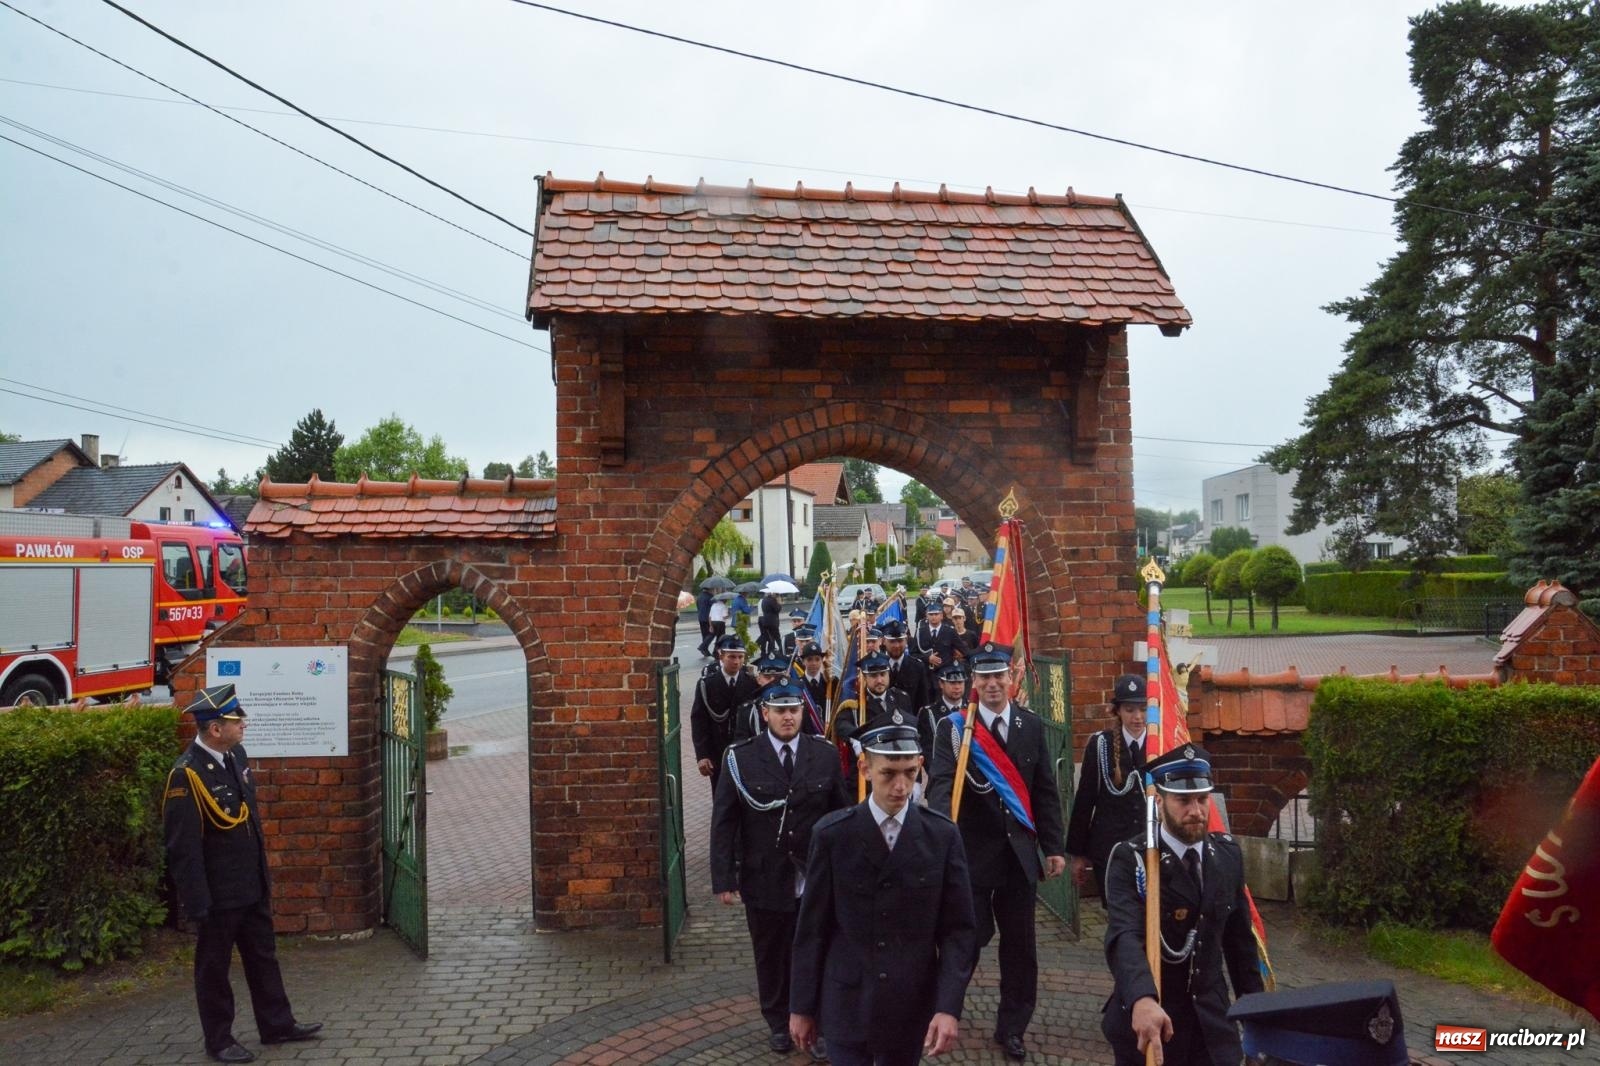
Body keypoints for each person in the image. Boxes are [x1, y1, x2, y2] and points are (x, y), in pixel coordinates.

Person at [790, 724, 978, 1066]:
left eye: (909, 773)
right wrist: (801, 1006)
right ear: (865, 769)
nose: (901, 786)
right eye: (888, 774)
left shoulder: (942, 836)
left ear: (920, 764)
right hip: (847, 999)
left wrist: (948, 1006)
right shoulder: (833, 835)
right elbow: (812, 929)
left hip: (908, 1002)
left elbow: (958, 930)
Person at [163, 684, 322, 1064]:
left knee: (263, 957)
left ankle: (277, 1024)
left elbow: (248, 823)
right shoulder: (187, 775)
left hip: (250, 885)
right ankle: (219, 1040)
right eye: (237, 720)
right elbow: (182, 847)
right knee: (214, 969)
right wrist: (196, 901)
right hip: (218, 895)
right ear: (215, 728)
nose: (244, 724)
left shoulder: (236, 756)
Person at [927, 645, 1066, 1063]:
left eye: (999, 676)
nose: (992, 684)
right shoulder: (955, 728)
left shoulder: (1031, 724)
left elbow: (1044, 790)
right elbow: (940, 785)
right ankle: (942, 1010)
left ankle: (1013, 1028)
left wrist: (1054, 847)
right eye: (984, 678)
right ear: (973, 682)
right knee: (965, 939)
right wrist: (939, 837)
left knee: (1020, 948)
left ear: (1011, 679)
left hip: (1018, 857)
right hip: (971, 853)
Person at [1101, 744, 1264, 1065]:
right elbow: (1125, 936)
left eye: (1202, 799)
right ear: (1159, 801)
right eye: (1183, 801)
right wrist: (1142, 998)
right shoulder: (1132, 859)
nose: (1196, 811)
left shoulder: (1227, 855)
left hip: (1212, 1023)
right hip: (1154, 1017)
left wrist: (1257, 1013)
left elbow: (1239, 943)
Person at [712, 683, 851, 1059]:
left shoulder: (822, 754)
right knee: (771, 953)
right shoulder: (741, 758)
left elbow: (841, 813)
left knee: (819, 948)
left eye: (794, 710)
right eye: (780, 710)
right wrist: (724, 878)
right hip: (765, 875)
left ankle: (818, 1021)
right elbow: (725, 821)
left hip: (816, 875)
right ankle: (777, 1021)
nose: (788, 717)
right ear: (765, 714)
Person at [1065, 674, 1151, 903]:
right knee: (1118, 915)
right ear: (1118, 711)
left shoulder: (1159, 745)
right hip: (1111, 848)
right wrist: (1079, 854)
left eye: (1143, 709)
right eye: (1130, 709)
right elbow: (1085, 800)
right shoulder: (1101, 744)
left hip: (1151, 846)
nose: (1138, 717)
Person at [691, 636, 762, 796]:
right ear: (721, 656)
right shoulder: (707, 684)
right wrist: (702, 755)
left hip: (746, 751)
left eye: (740, 657)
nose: (736, 661)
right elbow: (699, 721)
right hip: (718, 753)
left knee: (747, 797)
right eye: (731, 656)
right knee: (721, 797)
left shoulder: (751, 683)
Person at [731, 655, 796, 741]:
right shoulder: (748, 711)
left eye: (777, 677)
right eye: (767, 677)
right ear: (758, 679)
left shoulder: (797, 708)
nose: (772, 681)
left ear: (786, 678)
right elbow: (741, 746)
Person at [881, 620, 931, 712]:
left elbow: (923, 703)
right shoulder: (877, 666)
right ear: (884, 641)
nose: (896, 645)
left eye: (900, 641)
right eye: (892, 641)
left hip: (910, 723)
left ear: (906, 640)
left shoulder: (917, 667)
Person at [915, 602, 961, 670]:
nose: (933, 617)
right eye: (931, 614)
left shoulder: (950, 631)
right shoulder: (920, 632)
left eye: (936, 614)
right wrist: (927, 658)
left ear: (941, 615)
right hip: (926, 673)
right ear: (926, 616)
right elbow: (913, 654)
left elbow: (963, 650)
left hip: (945, 672)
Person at [759, 589, 784, 658]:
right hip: (772, 622)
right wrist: (779, 603)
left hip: (766, 621)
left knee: (771, 638)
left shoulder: (764, 600)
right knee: (777, 637)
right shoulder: (772, 600)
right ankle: (783, 650)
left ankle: (770, 652)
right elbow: (777, 609)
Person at [695, 585, 715, 656]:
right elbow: (714, 607)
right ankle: (702, 647)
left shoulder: (699, 596)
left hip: (700, 617)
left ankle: (705, 651)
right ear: (710, 589)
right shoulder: (710, 597)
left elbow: (697, 606)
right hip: (708, 618)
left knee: (704, 635)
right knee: (712, 633)